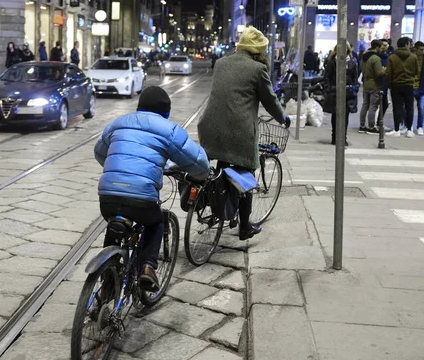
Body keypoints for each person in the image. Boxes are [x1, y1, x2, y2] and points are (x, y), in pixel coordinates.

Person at [94, 86, 210, 291]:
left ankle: (106, 282)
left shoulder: (117, 123)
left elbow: (100, 153)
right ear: (166, 112)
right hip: (141, 198)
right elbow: (199, 162)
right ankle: (147, 267)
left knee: (114, 226)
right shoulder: (168, 129)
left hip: (107, 196)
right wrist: (199, 176)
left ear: (139, 106)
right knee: (155, 221)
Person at [198, 26, 290, 241]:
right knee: (246, 177)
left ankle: (217, 206)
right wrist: (283, 118)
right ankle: (245, 227)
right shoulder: (257, 69)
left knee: (223, 165)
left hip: (210, 128)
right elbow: (270, 101)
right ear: (259, 50)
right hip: (238, 132)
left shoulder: (221, 63)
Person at [323, 41, 359, 146]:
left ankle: (343, 138)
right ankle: (334, 137)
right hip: (335, 92)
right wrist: (329, 88)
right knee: (335, 116)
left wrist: (355, 88)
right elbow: (327, 77)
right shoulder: (332, 62)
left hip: (348, 92)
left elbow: (355, 78)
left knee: (345, 116)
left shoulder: (352, 62)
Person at [385, 37, 419, 138]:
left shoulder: (392, 57)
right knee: (410, 108)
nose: (410, 45)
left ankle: (396, 130)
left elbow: (388, 73)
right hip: (409, 85)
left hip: (396, 85)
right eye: (409, 43)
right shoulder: (413, 57)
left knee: (397, 108)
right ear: (406, 44)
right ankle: (409, 130)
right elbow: (416, 71)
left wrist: (390, 85)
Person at [359, 40, 386, 134]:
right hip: (374, 84)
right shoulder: (376, 58)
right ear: (377, 47)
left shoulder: (364, 57)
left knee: (365, 104)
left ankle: (362, 126)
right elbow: (379, 73)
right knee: (373, 106)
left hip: (366, 83)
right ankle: (371, 126)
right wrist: (384, 70)